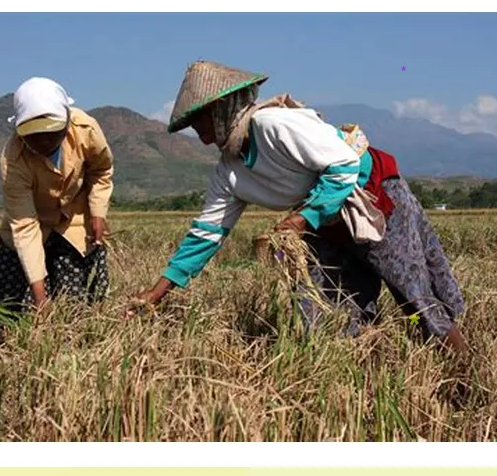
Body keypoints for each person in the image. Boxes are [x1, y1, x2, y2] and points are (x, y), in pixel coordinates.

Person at [128, 60, 468, 352]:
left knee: (412, 299)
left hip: (373, 202)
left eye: (200, 122)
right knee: (325, 310)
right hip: (323, 223)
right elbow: (206, 235)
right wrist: (157, 293)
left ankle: (465, 374)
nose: (201, 136)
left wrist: (304, 218)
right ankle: (360, 378)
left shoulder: (273, 124)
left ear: (221, 109)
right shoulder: (229, 171)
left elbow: (344, 165)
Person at [0, 77, 113, 316]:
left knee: (77, 307)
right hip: (32, 226)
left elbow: (101, 170)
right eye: (33, 135)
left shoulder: (86, 130)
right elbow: (24, 225)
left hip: (73, 221)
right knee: (2, 309)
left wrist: (98, 213)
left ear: (67, 122)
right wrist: (39, 294)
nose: (43, 142)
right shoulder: (13, 160)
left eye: (51, 133)